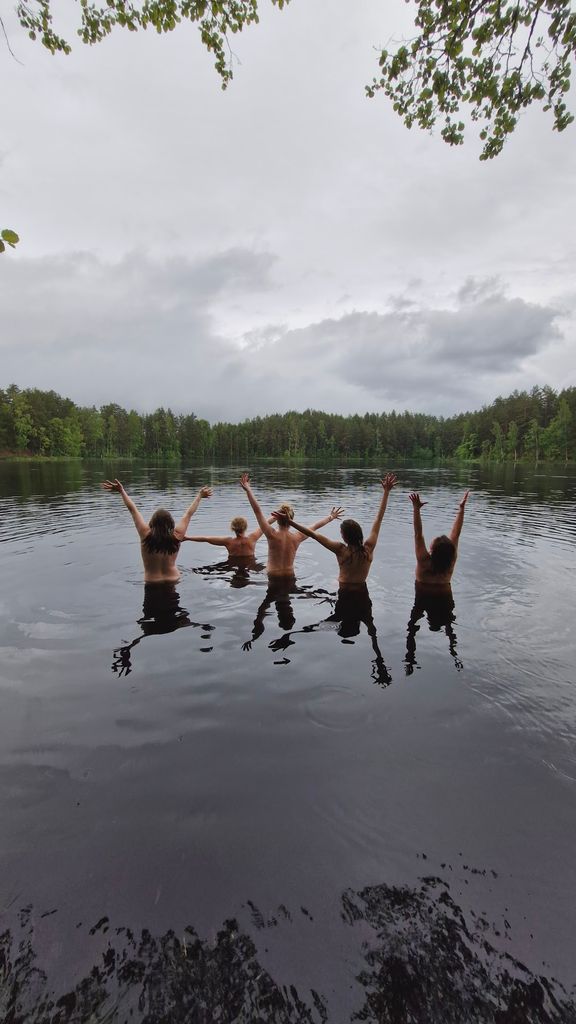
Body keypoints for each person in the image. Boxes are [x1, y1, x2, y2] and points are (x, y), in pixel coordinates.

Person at [271, 473, 398, 586]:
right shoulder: (368, 549)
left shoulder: (341, 550)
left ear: (344, 537)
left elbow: (313, 534)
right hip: (362, 592)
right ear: (359, 533)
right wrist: (386, 492)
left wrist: (289, 522)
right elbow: (378, 519)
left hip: (344, 592)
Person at [102, 478, 212, 583]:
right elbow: (189, 514)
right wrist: (199, 496)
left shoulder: (145, 534)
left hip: (151, 581)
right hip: (173, 579)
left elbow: (133, 510)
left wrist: (121, 491)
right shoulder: (177, 535)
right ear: (171, 523)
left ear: (152, 522)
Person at [239, 473, 345, 577]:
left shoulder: (271, 534)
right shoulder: (297, 536)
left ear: (276, 518)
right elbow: (316, 526)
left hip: (273, 575)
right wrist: (330, 517)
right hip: (290, 576)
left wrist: (249, 490)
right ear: (291, 519)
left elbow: (257, 511)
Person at [408, 490, 470, 588]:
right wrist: (461, 509)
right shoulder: (450, 563)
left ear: (433, 551)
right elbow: (456, 534)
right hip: (446, 600)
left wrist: (416, 509)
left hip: (423, 601)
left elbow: (418, 535)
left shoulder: (424, 562)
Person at [183, 513, 274, 559]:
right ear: (245, 527)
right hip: (250, 564)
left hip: (232, 564)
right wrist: (279, 515)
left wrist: (187, 538)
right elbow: (266, 523)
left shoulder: (228, 541)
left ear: (232, 528)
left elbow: (206, 539)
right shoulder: (252, 538)